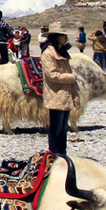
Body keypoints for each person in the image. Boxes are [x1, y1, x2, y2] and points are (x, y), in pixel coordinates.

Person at [41, 24, 80, 155]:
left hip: (65, 93)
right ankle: (53, 154)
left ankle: (62, 153)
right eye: (64, 36)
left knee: (63, 128)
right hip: (56, 94)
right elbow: (52, 75)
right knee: (56, 128)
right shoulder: (48, 54)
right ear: (57, 37)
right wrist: (72, 77)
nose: (66, 38)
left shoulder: (62, 52)